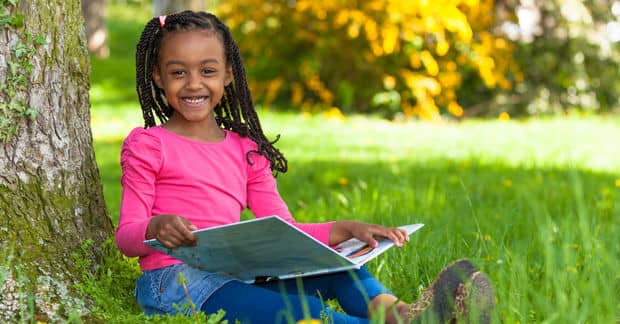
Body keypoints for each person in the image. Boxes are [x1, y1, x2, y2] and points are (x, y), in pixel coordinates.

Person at [115, 11, 495, 324]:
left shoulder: (247, 150)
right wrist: (154, 226)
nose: (193, 83)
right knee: (302, 313)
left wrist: (342, 230)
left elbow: (286, 234)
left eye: (207, 71)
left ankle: (399, 314)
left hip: (237, 276)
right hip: (174, 282)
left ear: (228, 75)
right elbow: (126, 236)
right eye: (178, 72)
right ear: (158, 78)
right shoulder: (148, 144)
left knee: (338, 271)